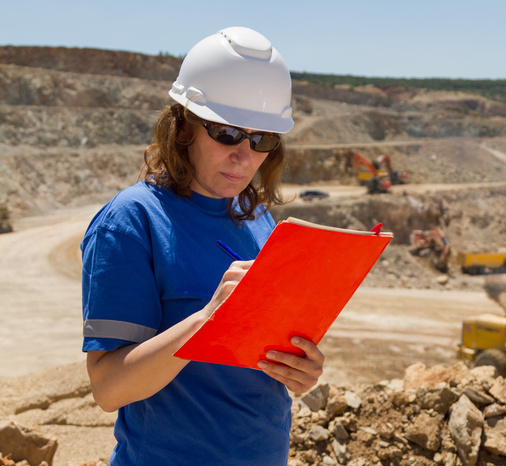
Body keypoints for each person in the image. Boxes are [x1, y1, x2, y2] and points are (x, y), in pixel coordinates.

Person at [81, 27, 324, 465]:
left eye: (263, 139)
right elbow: (108, 387)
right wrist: (207, 319)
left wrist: (300, 370)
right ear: (183, 126)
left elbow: (260, 362)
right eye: (228, 133)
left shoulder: (257, 221)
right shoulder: (132, 222)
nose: (244, 157)